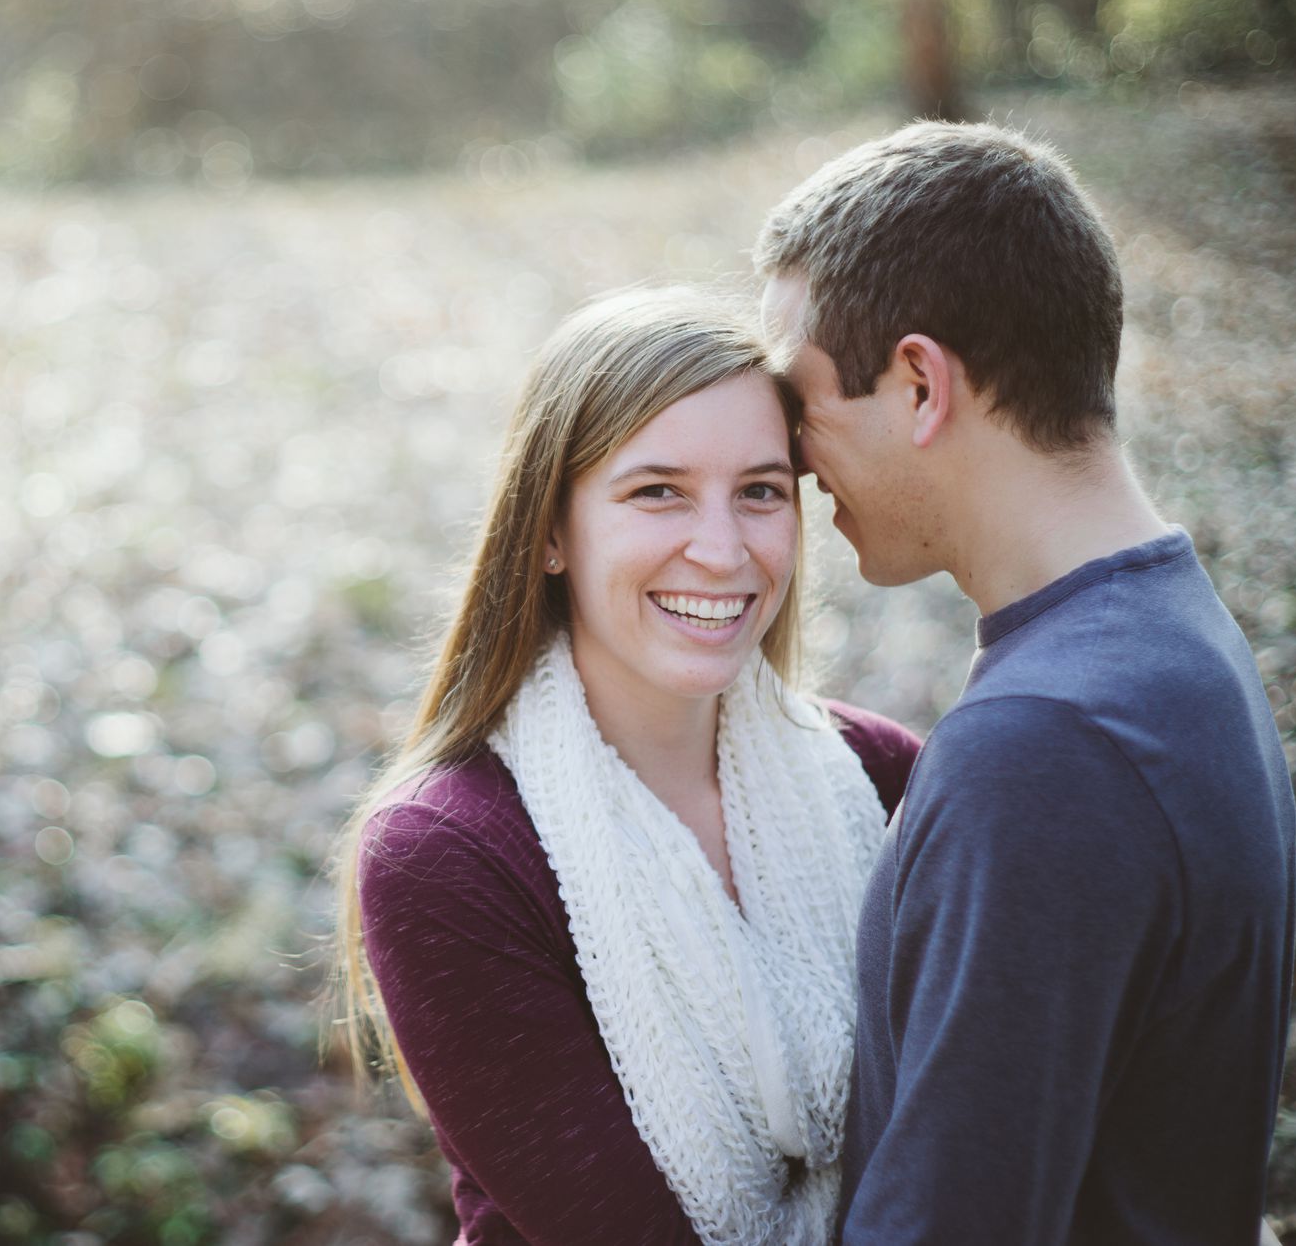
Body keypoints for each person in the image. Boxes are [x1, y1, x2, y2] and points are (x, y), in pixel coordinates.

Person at [754, 121, 1296, 1244]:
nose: (794, 461)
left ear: (917, 384)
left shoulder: (1044, 744)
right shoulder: (1177, 639)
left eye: (801, 402)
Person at [331, 287, 921, 1245]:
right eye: (659, 492)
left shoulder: (885, 777)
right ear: (552, 531)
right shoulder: (447, 857)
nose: (723, 550)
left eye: (762, 491)